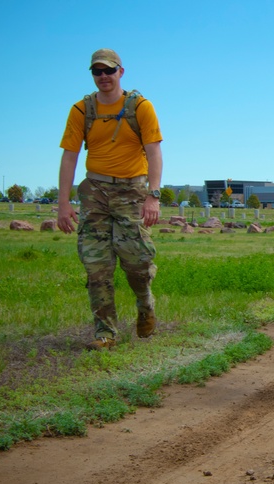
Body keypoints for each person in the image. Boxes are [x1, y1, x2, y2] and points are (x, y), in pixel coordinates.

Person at [57, 48, 163, 351]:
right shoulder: (81, 110)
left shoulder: (140, 107)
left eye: (109, 71)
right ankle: (105, 332)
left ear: (121, 72)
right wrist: (63, 203)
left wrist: (152, 196)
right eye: (97, 72)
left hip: (132, 192)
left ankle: (145, 304)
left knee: (137, 261)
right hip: (95, 193)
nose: (103, 76)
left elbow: (154, 151)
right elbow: (70, 157)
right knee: (96, 265)